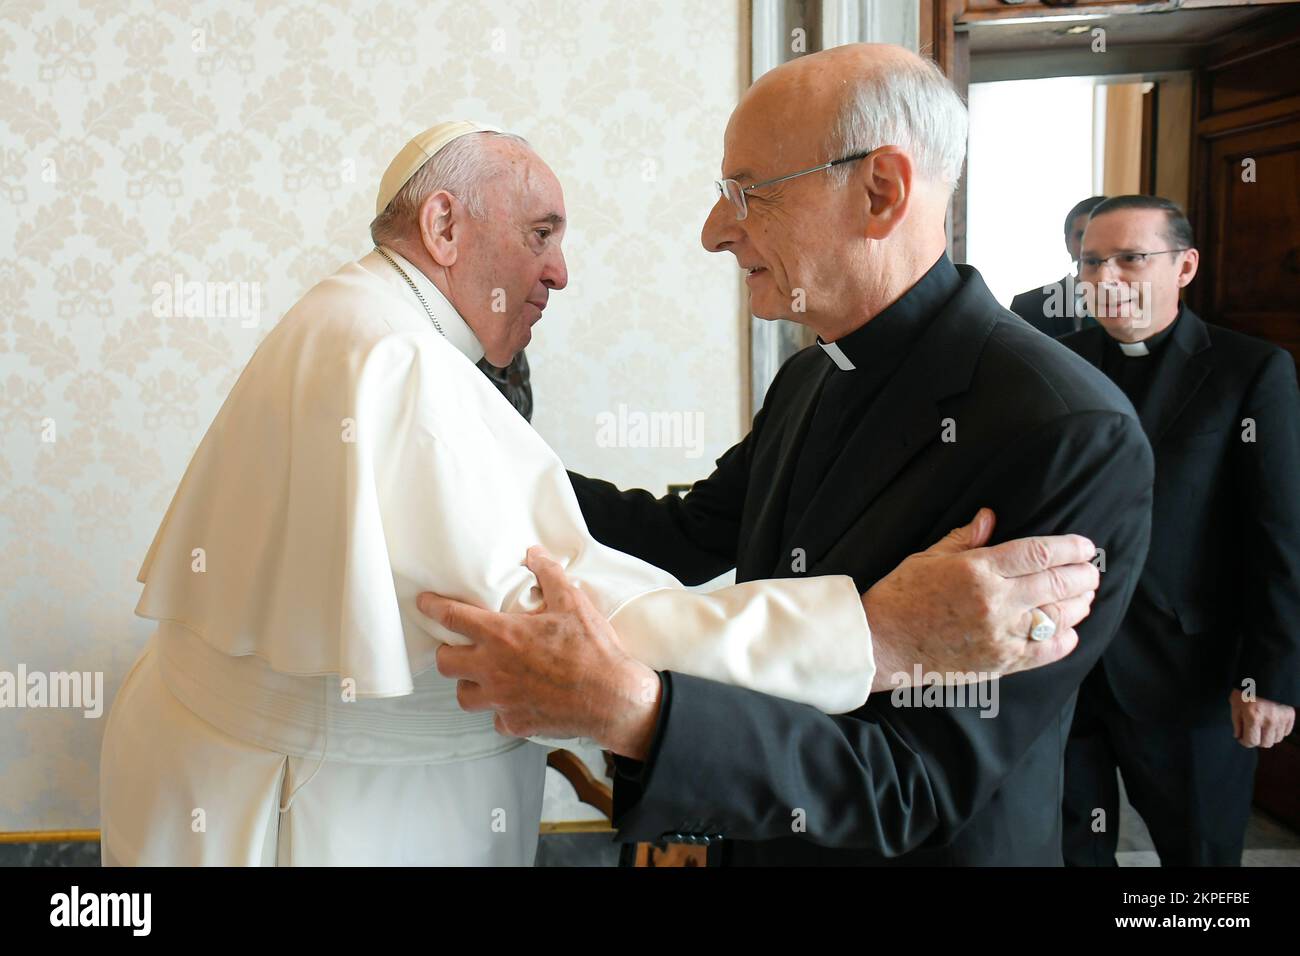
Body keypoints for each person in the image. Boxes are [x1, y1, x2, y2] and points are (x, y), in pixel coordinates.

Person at [99, 121, 1095, 866]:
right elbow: (560, 617)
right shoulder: (396, 354)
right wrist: (869, 635)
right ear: (442, 223)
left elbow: (662, 532)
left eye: (748, 193)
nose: (561, 270)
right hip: (311, 808)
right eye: (539, 232)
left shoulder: (1060, 421)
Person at [421, 44, 1154, 866]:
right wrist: (478, 455)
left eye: (748, 194)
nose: (714, 232)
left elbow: (915, 783)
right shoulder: (815, 370)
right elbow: (686, 532)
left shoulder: (1069, 432)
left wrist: (633, 709)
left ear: (881, 192)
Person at [1059, 195, 1300, 866]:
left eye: (1131, 259)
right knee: (1069, 849)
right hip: (1069, 669)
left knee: (1198, 863)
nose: (1106, 280)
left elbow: (1280, 533)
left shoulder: (1250, 371)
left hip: (1189, 675)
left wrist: (1272, 678)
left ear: (1185, 265)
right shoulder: (1056, 362)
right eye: (1091, 262)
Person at [1009, 195, 1106, 337]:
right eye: (1082, 236)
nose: (1091, 245)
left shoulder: (1140, 303)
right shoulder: (1028, 307)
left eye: (1102, 235)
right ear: (1068, 242)